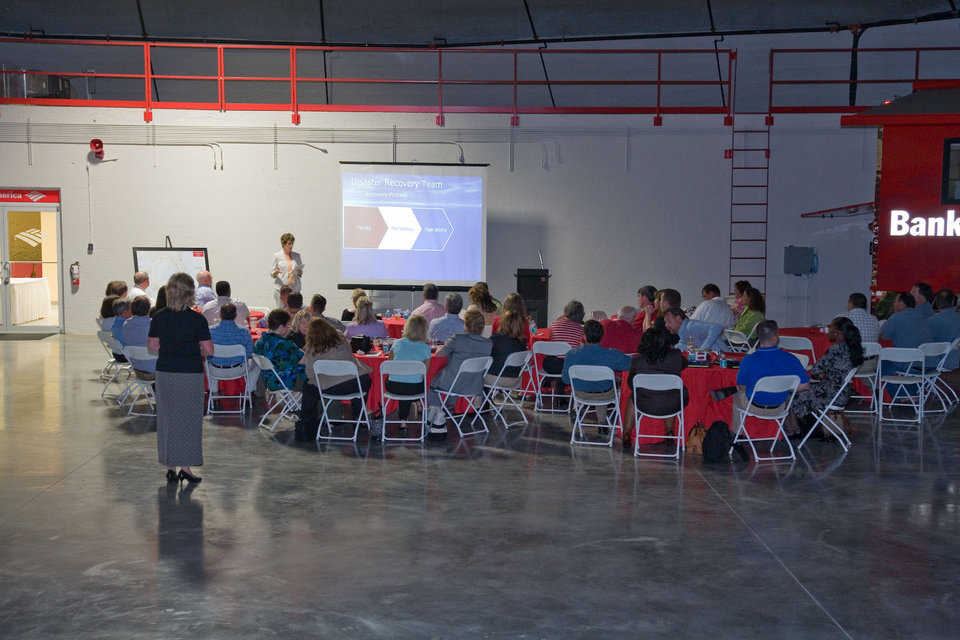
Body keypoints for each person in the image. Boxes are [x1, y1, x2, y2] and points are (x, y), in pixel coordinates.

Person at [148, 272, 212, 484]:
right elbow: (208, 349)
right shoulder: (197, 319)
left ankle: (169, 467)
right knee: (189, 421)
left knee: (167, 418)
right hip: (190, 373)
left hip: (166, 371)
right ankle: (186, 467)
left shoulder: (158, 317)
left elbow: (152, 346)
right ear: (190, 294)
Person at [296, 317, 373, 440]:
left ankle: (307, 423)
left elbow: (310, 374)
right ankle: (359, 417)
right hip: (354, 383)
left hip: (330, 388)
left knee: (309, 387)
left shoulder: (312, 348)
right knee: (365, 380)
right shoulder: (342, 339)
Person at [787, 317, 863, 436]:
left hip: (829, 395)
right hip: (842, 394)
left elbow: (815, 371)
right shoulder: (853, 348)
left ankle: (794, 429)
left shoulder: (835, 349)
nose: (828, 331)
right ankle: (802, 427)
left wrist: (820, 373)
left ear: (837, 333)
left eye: (830, 328)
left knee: (793, 393)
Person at [730, 320, 810, 428]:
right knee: (787, 395)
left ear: (759, 338)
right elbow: (805, 386)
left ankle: (737, 435)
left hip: (754, 406)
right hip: (779, 408)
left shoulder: (748, 360)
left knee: (736, 394)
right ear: (776, 337)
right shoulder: (790, 358)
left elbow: (742, 387)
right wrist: (784, 387)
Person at [426, 309, 492, 434]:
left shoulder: (458, 339)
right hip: (474, 385)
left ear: (465, 324)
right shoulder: (488, 343)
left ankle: (437, 411)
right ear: (482, 326)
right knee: (450, 380)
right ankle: (446, 409)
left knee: (433, 380)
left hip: (453, 384)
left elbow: (440, 354)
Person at [562, 320, 631, 429]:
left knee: (598, 383)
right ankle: (602, 422)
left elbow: (566, 380)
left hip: (580, 394)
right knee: (606, 385)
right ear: (602, 336)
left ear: (583, 336)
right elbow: (629, 365)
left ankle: (577, 410)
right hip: (604, 394)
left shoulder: (572, 354)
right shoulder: (612, 354)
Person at [628, 326, 689, 441]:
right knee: (673, 394)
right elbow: (685, 363)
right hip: (671, 403)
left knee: (633, 396)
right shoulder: (675, 356)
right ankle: (669, 431)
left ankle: (627, 432)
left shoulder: (637, 360)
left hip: (644, 403)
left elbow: (631, 384)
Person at [384, 314, 432, 430]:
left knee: (401, 383)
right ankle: (417, 405)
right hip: (415, 388)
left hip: (394, 387)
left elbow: (389, 365)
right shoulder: (425, 347)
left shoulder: (397, 343)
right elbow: (425, 371)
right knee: (414, 383)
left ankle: (403, 420)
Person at [208, 303, 260, 398]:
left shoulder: (210, 331)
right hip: (238, 369)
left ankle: (214, 392)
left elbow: (206, 351)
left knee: (209, 361)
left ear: (220, 315)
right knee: (257, 363)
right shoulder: (244, 332)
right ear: (235, 315)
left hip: (215, 370)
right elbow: (249, 353)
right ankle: (248, 391)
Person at [253, 309, 305, 392]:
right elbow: (303, 358)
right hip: (283, 381)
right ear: (281, 327)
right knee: (313, 375)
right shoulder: (286, 345)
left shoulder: (260, 342)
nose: (290, 328)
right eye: (288, 325)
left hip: (267, 380)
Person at [488, 311, 528, 386]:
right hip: (515, 380)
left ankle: (484, 397)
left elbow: (486, 357)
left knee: (478, 373)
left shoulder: (495, 339)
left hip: (496, 379)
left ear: (503, 323)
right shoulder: (523, 341)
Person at [122, 295, 155, 375]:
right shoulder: (154, 325)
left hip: (136, 367)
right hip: (154, 368)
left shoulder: (126, 324)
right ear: (148, 309)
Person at [928, 289, 960, 369]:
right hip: (954, 362)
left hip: (935, 363)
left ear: (937, 302)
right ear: (953, 302)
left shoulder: (931, 321)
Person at [270, 232, 304, 304]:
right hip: (281, 289)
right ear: (283, 244)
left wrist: (299, 272)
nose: (291, 246)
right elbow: (272, 274)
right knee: (281, 313)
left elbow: (300, 274)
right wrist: (275, 272)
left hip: (294, 289)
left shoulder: (297, 256)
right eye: (289, 243)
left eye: (292, 243)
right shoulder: (277, 256)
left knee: (294, 311)